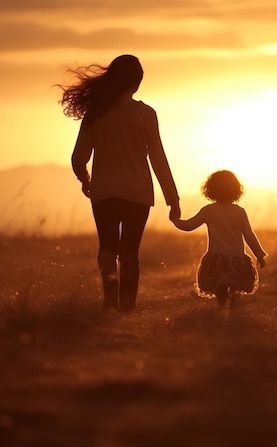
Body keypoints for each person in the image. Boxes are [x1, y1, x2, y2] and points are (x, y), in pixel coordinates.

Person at [58, 54, 181, 312]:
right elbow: (158, 158)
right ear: (136, 84)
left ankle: (110, 297)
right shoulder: (146, 114)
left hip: (103, 192)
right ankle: (127, 303)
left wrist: (85, 179)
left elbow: (78, 158)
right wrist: (173, 198)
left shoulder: (95, 114)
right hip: (138, 193)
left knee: (108, 246)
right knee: (129, 251)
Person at [170, 170, 266, 311]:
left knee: (219, 287)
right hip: (237, 259)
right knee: (235, 288)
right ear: (236, 189)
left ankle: (222, 308)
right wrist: (259, 254)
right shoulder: (239, 212)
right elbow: (249, 235)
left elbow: (189, 226)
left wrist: (175, 220)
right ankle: (232, 313)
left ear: (210, 189)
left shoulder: (209, 211)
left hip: (217, 259)